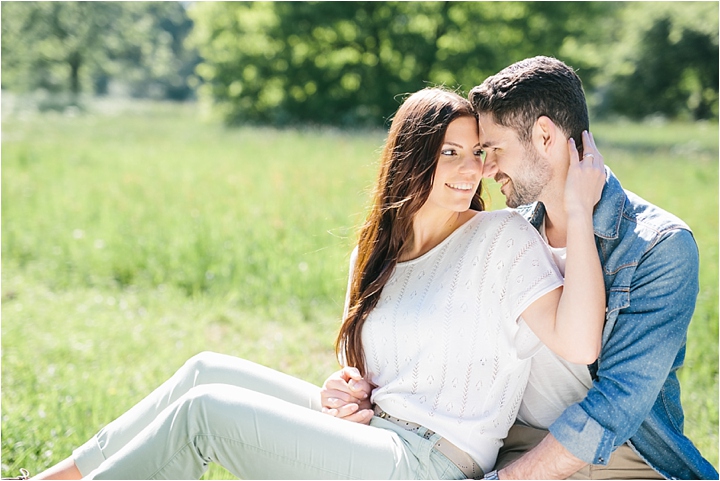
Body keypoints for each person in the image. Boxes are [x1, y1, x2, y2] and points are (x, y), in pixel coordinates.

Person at [26, 87, 605, 480]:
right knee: (205, 368)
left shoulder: (501, 239)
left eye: (476, 153)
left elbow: (580, 344)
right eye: (448, 151)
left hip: (430, 462)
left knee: (206, 412)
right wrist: (344, 391)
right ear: (409, 157)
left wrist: (578, 213)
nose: (469, 169)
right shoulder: (374, 252)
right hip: (376, 433)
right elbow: (380, 376)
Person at [464, 56, 717, 480]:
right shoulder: (507, 232)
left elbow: (616, 404)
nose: (486, 169)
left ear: (544, 135)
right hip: (518, 447)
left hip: (622, 456)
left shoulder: (660, 246)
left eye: (495, 150)